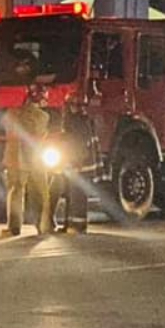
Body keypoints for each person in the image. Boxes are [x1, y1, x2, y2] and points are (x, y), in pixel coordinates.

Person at [2, 83, 51, 236]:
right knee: (41, 192)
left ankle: (14, 227)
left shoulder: (11, 113)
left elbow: (5, 127)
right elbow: (42, 135)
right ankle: (43, 226)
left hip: (15, 159)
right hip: (36, 160)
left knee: (15, 191)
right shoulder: (43, 117)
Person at [51, 94, 99, 234]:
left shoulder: (78, 122)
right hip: (74, 163)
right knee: (71, 194)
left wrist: (76, 162)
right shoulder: (79, 121)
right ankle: (70, 224)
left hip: (79, 164)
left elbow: (79, 145)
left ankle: (78, 225)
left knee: (77, 195)